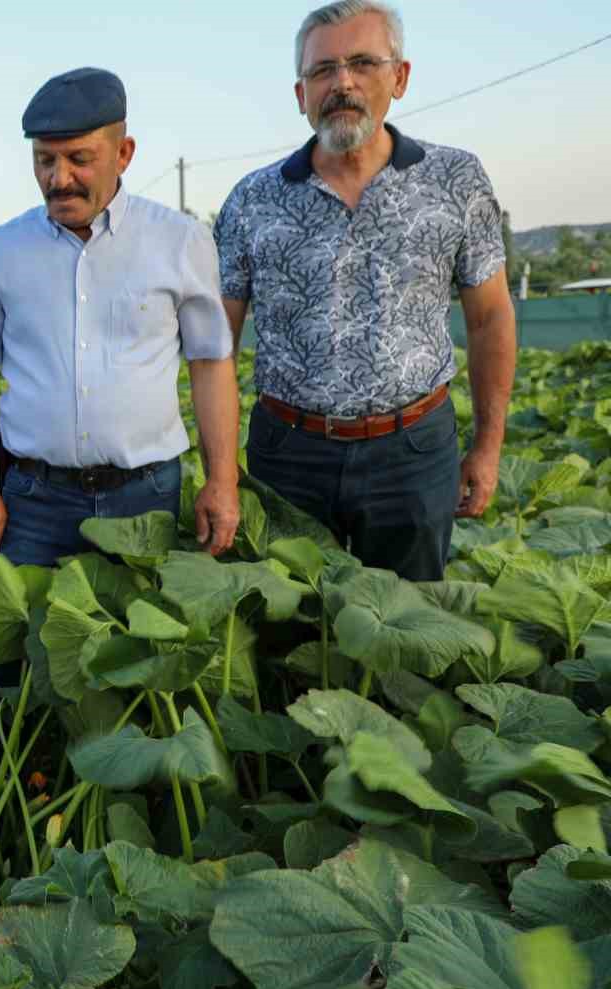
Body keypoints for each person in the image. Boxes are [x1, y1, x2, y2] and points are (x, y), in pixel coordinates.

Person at [214, 0, 516, 579]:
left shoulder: (455, 180)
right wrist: (222, 474)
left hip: (414, 450)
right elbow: (215, 345)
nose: (342, 83)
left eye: (361, 63)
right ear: (301, 94)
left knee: (406, 627)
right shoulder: (251, 199)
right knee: (291, 633)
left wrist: (487, 446)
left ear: (399, 78)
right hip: (287, 453)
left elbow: (490, 318)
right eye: (322, 70)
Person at [0, 66, 241, 569]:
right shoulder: (0, 250)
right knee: (27, 640)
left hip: (144, 497)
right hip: (33, 500)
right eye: (44, 161)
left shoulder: (179, 240)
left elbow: (210, 364)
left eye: (79, 159)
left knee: (139, 643)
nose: (58, 179)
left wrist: (223, 481)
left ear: (123, 154)